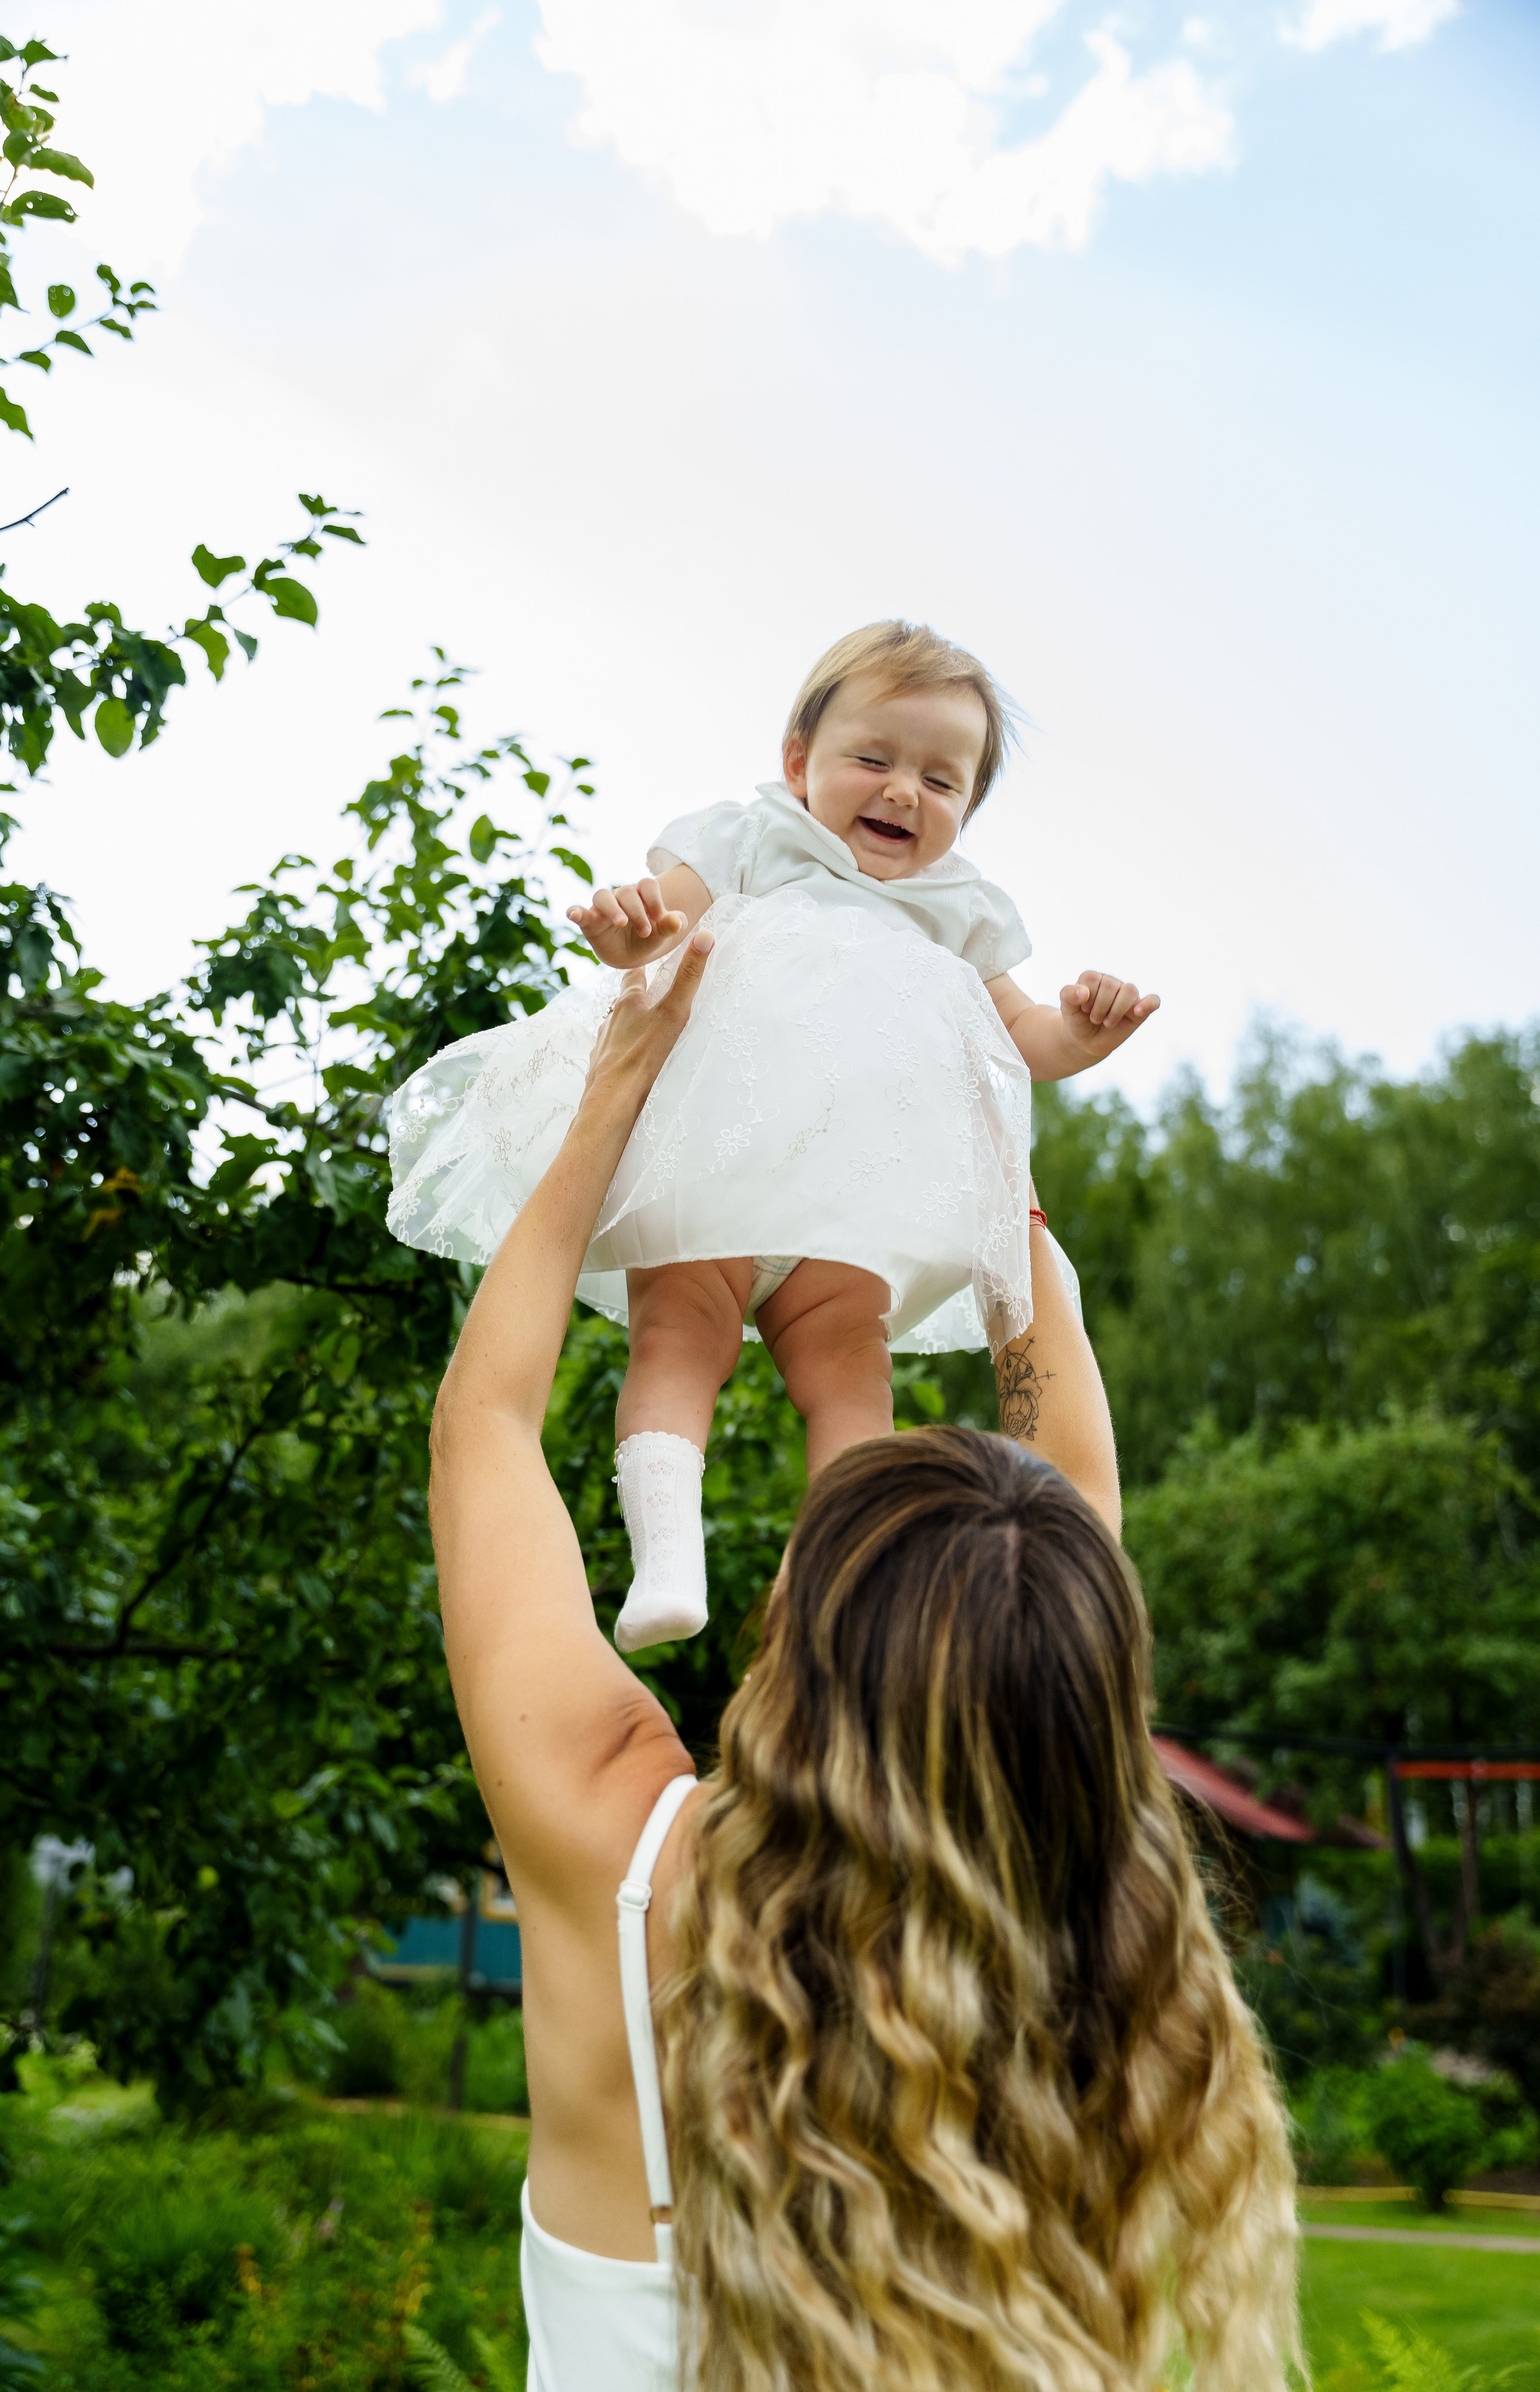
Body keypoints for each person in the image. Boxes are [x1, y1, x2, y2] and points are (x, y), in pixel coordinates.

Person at [430, 931, 1300, 2392]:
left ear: (803, 1631)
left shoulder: (617, 1856)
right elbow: (1065, 1491)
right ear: (1076, 1697)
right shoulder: (1076, 1938)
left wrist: (619, 1093)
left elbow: (487, 1430)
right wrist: (983, 1141)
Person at [392, 620, 1158, 1654]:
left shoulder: (959, 911)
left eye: (941, 779)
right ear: (800, 762)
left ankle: (830, 1592)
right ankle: (668, 1562)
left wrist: (1084, 1029)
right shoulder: (753, 839)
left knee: (852, 1372)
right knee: (680, 1336)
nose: (902, 792)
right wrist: (632, 935)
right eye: (874, 759)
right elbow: (662, 925)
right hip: (715, 1159)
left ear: (968, 808)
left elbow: (1025, 1038)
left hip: (857, 1203)